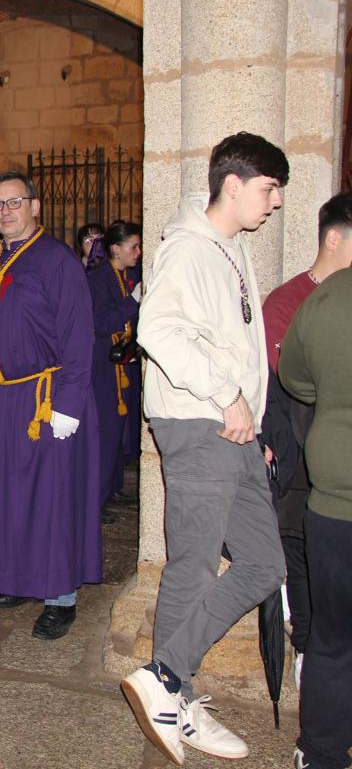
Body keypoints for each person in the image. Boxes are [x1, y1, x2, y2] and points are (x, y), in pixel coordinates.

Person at [122, 132, 289, 765]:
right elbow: (156, 329)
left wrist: (255, 423)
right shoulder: (189, 249)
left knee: (262, 564)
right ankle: (175, 692)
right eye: (269, 190)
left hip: (235, 432)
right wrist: (227, 396)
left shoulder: (230, 247)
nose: (273, 204)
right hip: (200, 425)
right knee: (192, 567)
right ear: (236, 184)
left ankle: (166, 678)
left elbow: (235, 343)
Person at [0, 172, 101, 641]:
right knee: (9, 493)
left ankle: (60, 595)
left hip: (45, 398)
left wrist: (68, 404)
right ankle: (18, 577)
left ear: (36, 206)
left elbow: (77, 337)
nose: (4, 212)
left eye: (13, 202)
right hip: (3, 396)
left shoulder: (56, 260)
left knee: (50, 498)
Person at [260, 193, 352, 691]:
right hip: (303, 456)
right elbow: (286, 383)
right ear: (333, 238)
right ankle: (308, 649)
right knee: (305, 562)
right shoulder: (290, 301)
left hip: (336, 457)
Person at [278, 268, 352, 769]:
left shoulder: (332, 295)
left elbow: (295, 378)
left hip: (336, 492)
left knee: (332, 636)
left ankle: (321, 752)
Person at [87, 221, 142, 506]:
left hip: (123, 363)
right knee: (106, 432)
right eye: (133, 246)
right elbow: (103, 322)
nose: (138, 251)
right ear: (116, 249)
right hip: (103, 366)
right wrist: (133, 302)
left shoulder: (126, 274)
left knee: (120, 432)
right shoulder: (99, 278)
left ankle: (112, 488)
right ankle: (96, 500)